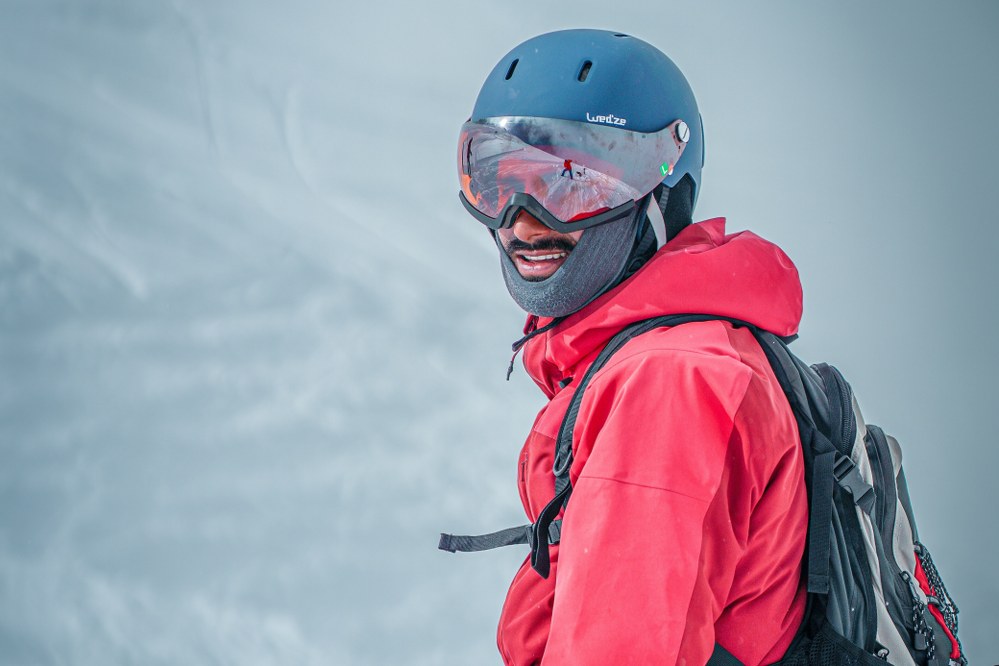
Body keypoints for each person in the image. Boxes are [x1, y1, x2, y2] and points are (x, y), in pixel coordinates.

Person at [455, 29, 808, 665]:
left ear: (664, 196)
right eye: (499, 181)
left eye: (572, 184)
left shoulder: (671, 386)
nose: (525, 222)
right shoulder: (661, 358)